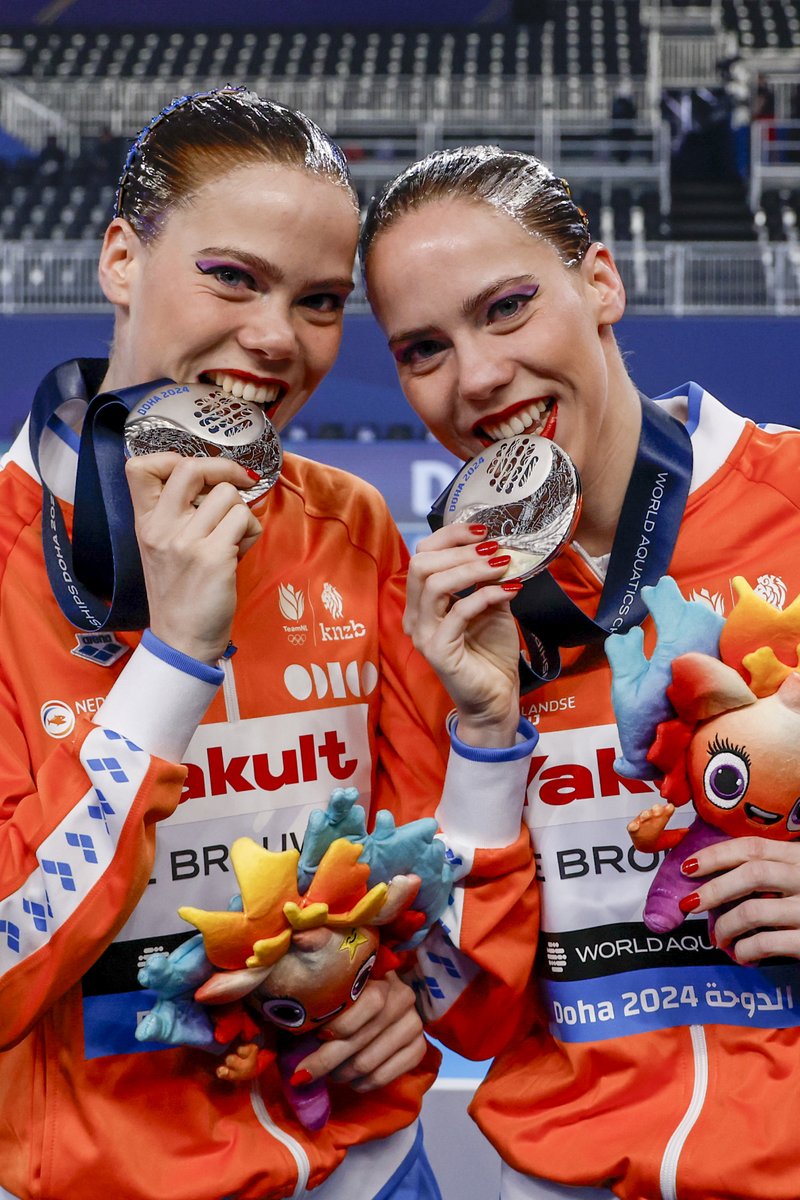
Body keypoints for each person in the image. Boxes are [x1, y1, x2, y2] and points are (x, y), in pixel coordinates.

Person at [0, 95, 537, 1200]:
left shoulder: (351, 526)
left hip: (371, 1174)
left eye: (320, 301)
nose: (278, 338)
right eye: (233, 278)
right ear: (119, 259)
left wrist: (405, 989)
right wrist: (172, 661)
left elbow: (432, 915)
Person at [359, 144, 800, 1200]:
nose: (475, 377)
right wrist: (482, 734)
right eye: (424, 348)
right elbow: (466, 1011)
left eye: (506, 308)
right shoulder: (441, 619)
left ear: (600, 281)